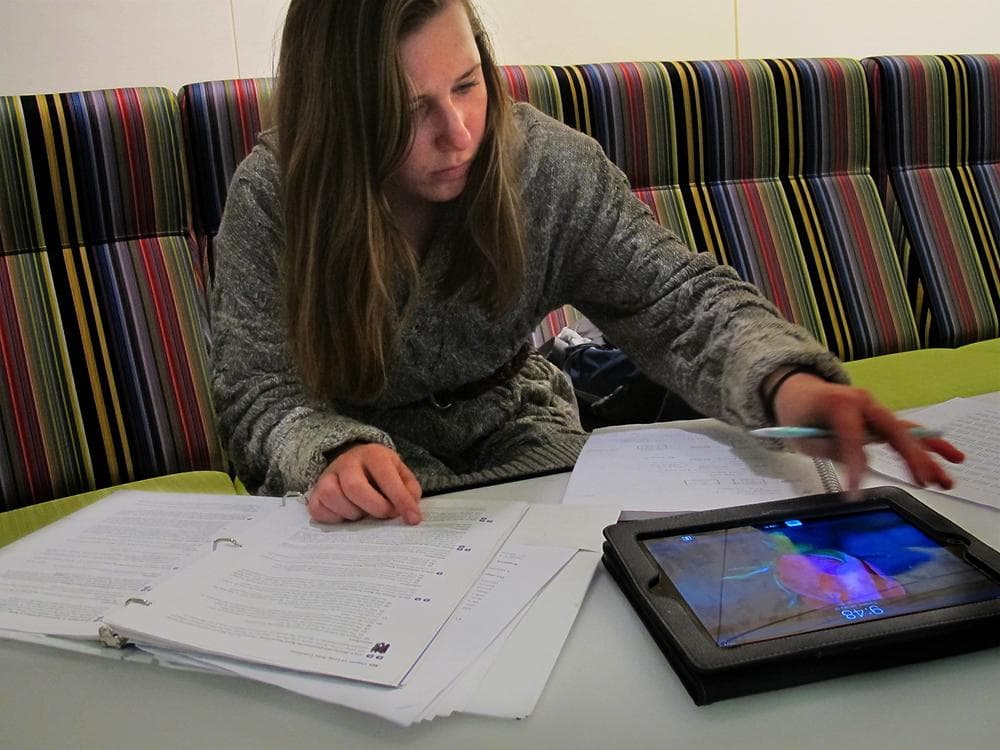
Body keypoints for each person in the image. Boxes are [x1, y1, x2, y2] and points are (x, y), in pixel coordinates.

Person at [211, 0, 963, 526]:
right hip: (357, 477)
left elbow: (676, 301)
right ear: (344, 114)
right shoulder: (276, 194)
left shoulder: (543, 166)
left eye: (469, 84)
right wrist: (328, 452)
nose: (461, 131)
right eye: (411, 112)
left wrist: (789, 386)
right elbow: (255, 393)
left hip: (524, 443)